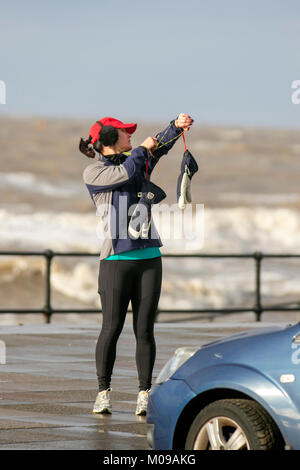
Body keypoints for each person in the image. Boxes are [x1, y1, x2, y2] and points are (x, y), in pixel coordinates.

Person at [80, 113, 193, 415]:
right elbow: (127, 172)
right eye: (123, 133)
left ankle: (144, 393)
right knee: (111, 328)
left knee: (145, 330)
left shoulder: (138, 158)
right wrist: (142, 150)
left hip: (149, 260)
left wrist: (175, 127)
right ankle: (104, 391)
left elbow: (160, 147)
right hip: (116, 261)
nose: (130, 136)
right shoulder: (94, 173)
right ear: (107, 139)